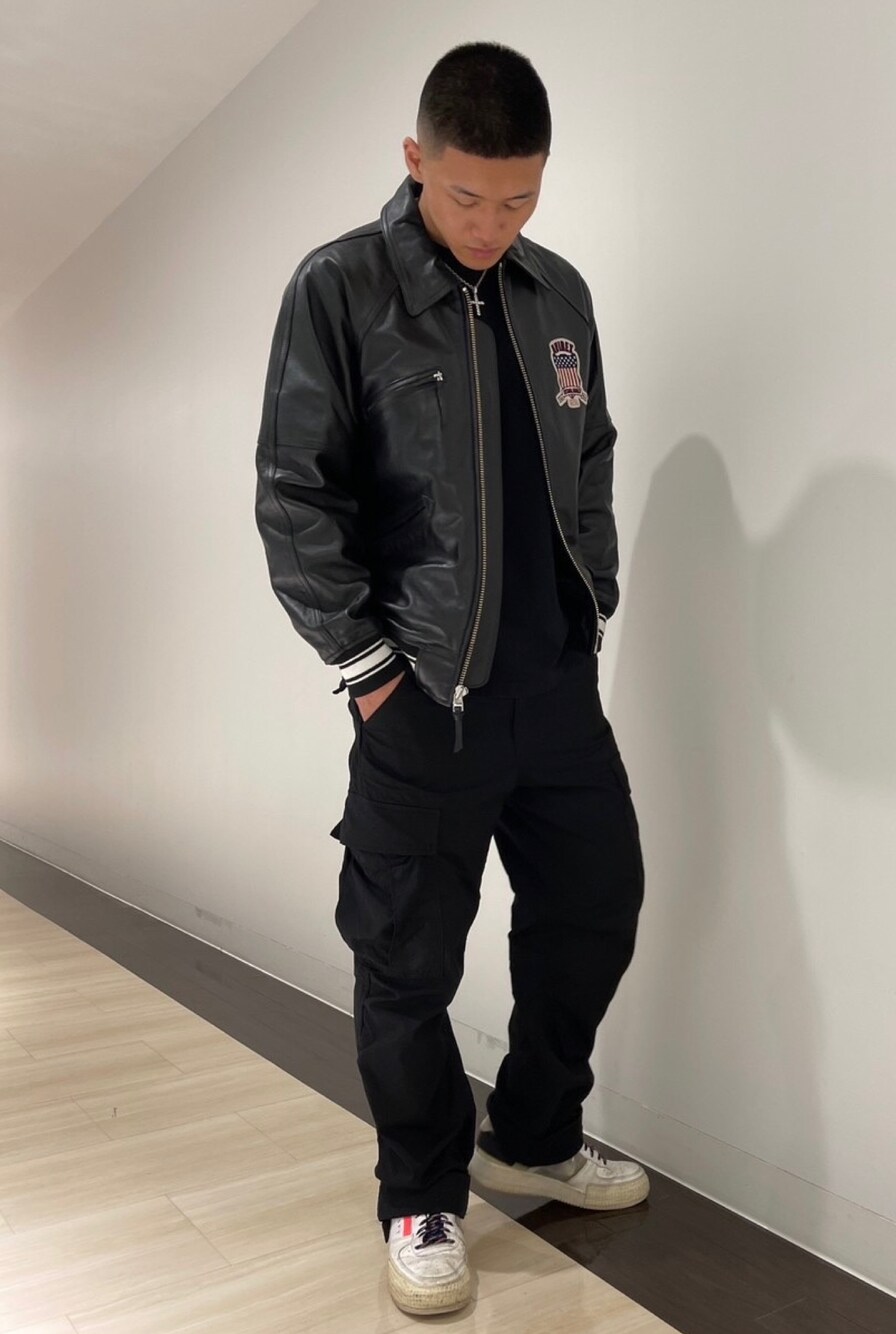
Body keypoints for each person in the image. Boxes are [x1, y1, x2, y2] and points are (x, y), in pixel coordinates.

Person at [254, 40, 647, 1317]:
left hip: (555, 688)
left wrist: (593, 595)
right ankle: (420, 1190)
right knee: (406, 957)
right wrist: (371, 668)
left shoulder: (556, 290)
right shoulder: (341, 287)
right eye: (468, 195)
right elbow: (295, 492)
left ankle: (532, 1133)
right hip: (427, 693)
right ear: (415, 158)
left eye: (520, 198)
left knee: (595, 906)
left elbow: (591, 452)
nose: (491, 224)